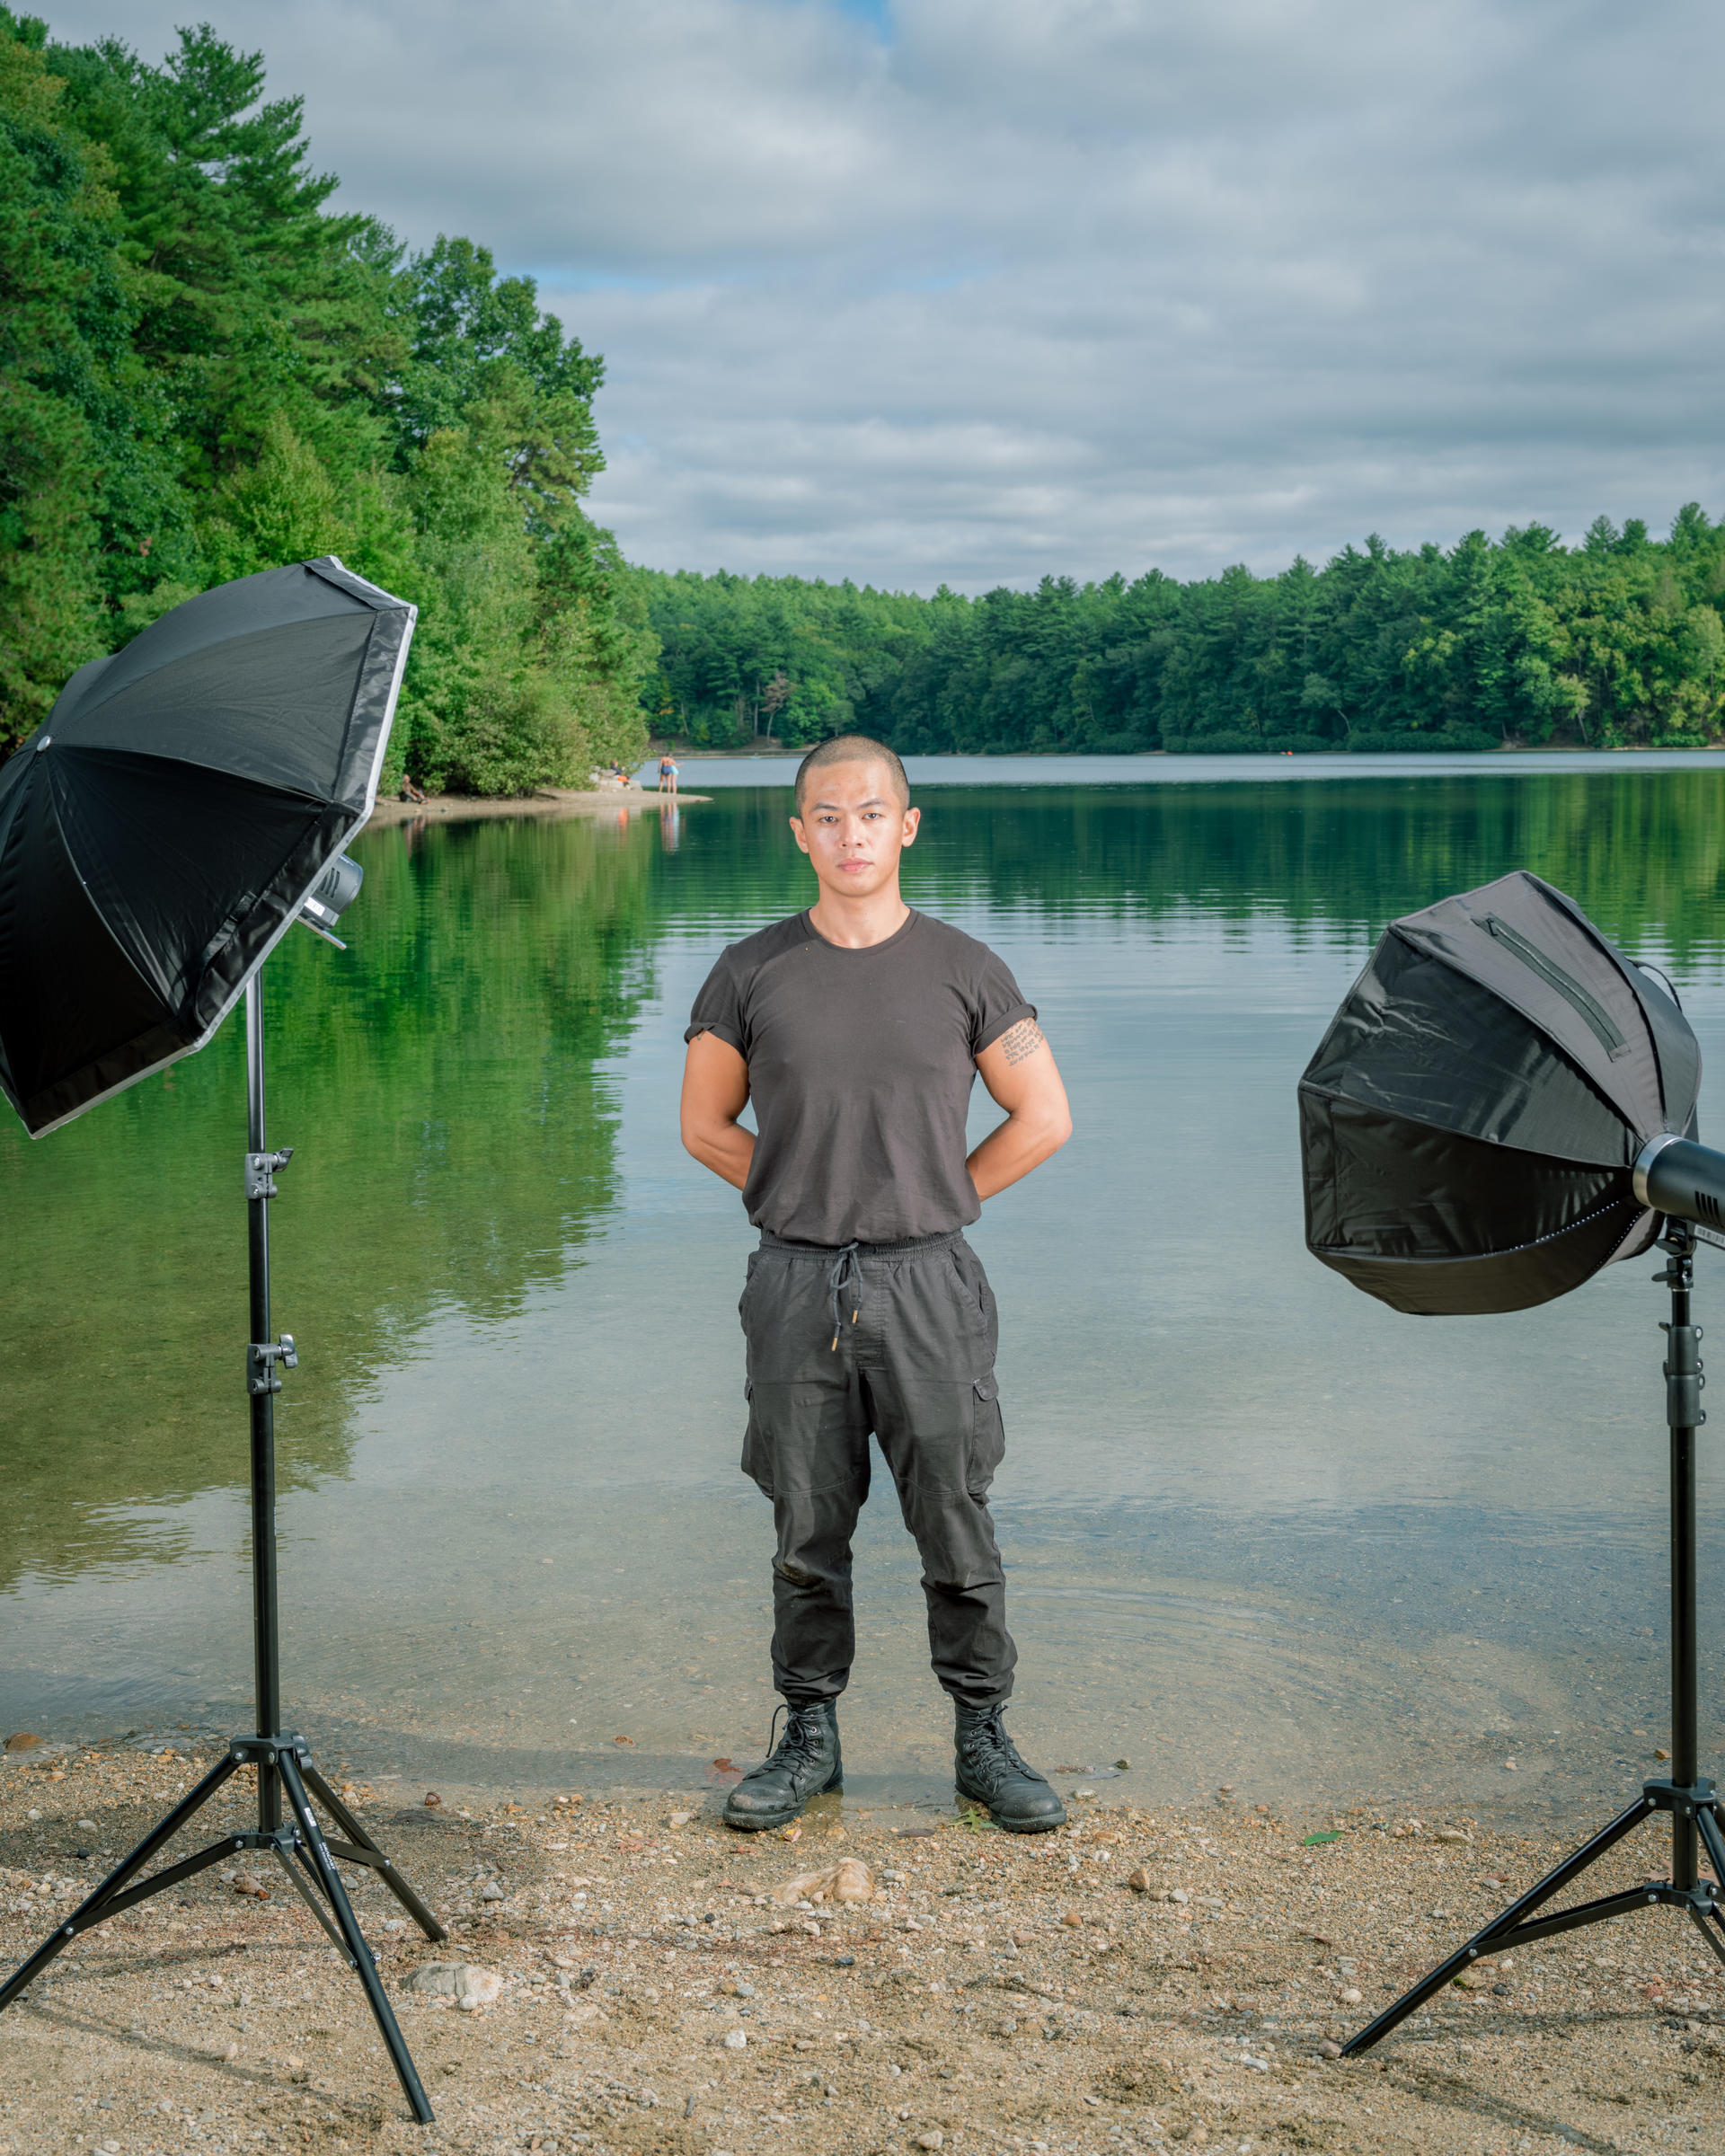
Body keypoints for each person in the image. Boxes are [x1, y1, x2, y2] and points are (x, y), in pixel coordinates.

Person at [679, 734, 1073, 1833]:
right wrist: (808, 1188)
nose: (849, 834)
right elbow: (702, 1124)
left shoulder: (967, 969)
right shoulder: (752, 971)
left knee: (956, 1517)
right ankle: (808, 1736)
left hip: (930, 1284)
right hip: (795, 1286)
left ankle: (983, 1739)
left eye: (869, 814)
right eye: (827, 815)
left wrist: (940, 1196)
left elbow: (1043, 1119)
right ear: (798, 830)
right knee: (807, 1525)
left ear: (907, 826)